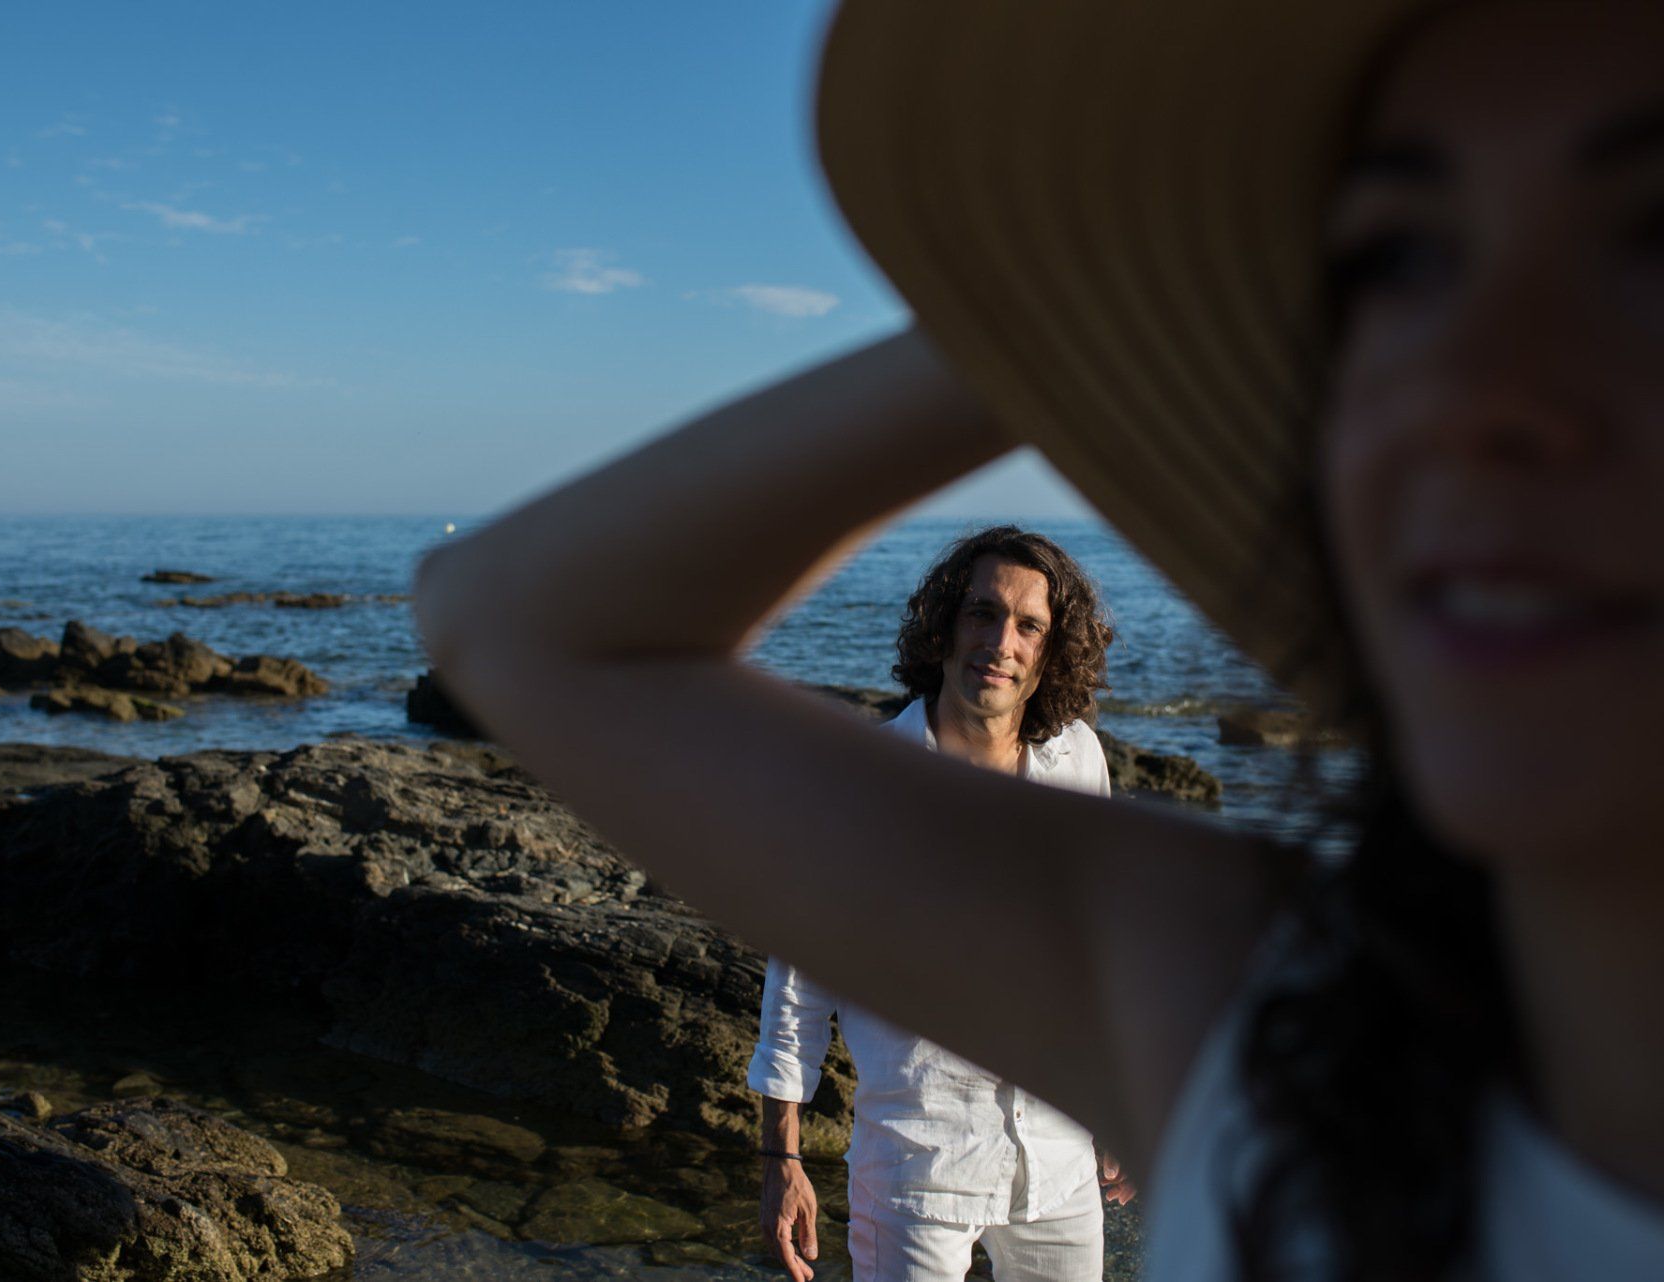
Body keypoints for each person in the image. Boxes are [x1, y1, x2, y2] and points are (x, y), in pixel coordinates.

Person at [416, 1, 1664, 1276]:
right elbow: (511, 621)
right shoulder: (1256, 1014)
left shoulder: (1164, 931)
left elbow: (528, 627)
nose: (1470, 389)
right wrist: (1054, 326)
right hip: (920, 1161)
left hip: (1051, 1171)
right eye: (1396, 258)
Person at [749, 527, 1125, 1282]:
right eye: (983, 613)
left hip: (1058, 1167)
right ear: (944, 625)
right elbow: (798, 986)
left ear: (1052, 652)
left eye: (1028, 626)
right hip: (918, 1167)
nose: (1001, 643)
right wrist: (781, 1159)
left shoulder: (1076, 758)